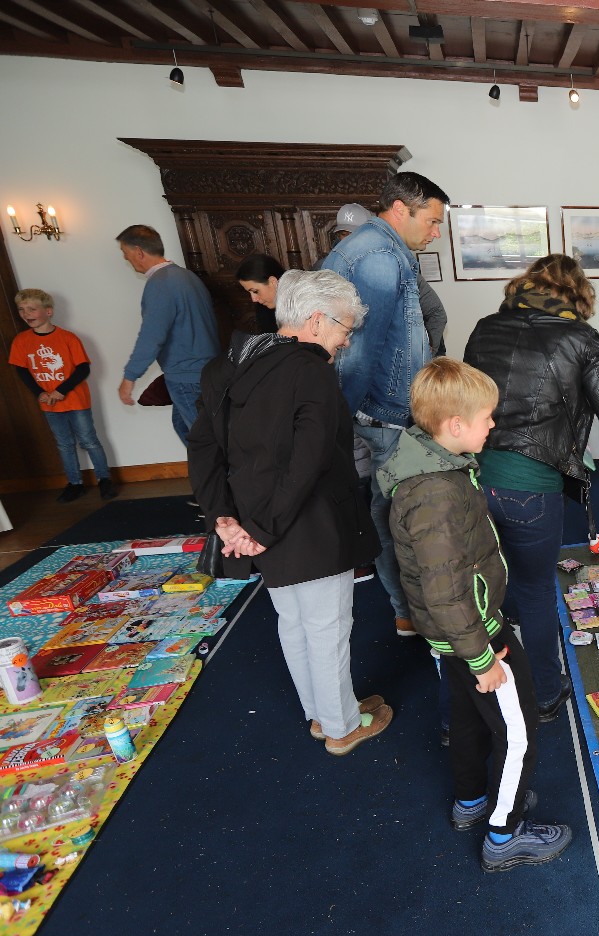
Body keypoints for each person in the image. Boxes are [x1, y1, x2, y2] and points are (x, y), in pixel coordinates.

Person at [379, 357, 572, 872]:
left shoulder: (428, 467)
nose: (493, 424)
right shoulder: (437, 493)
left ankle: (471, 800)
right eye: (486, 417)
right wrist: (483, 657)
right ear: (455, 425)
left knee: (467, 720)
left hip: (452, 636)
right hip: (477, 635)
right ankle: (504, 832)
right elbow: (445, 589)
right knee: (519, 731)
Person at [186, 270, 389, 756]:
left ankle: (321, 713)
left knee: (294, 621)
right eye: (345, 328)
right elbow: (309, 461)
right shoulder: (309, 371)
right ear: (316, 321)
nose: (346, 340)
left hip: (252, 523)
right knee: (327, 628)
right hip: (309, 524)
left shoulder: (226, 365)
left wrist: (223, 518)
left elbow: (203, 447)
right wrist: (262, 528)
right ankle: (341, 727)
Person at [463, 254, 599, 720]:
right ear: (577, 293)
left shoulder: (485, 328)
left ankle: (480, 686)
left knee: (484, 583)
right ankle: (545, 692)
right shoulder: (579, 337)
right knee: (537, 589)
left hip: (474, 476)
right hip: (531, 483)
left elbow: (467, 403)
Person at [321, 173, 448, 635]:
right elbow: (357, 352)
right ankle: (411, 611)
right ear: (399, 208)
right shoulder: (376, 256)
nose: (435, 233)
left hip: (388, 410)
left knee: (396, 509)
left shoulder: (383, 250)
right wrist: (339, 423)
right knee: (401, 516)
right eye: (432, 221)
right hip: (385, 414)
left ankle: (410, 609)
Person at [114, 225, 221, 445]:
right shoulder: (186, 276)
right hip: (207, 370)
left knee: (204, 443)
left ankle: (217, 469)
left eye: (125, 253)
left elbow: (151, 336)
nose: (126, 259)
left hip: (187, 376)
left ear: (139, 252)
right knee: (183, 427)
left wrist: (129, 377)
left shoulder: (161, 284)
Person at [8, 289, 118, 503]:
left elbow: (83, 368)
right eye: (21, 309)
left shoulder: (68, 338)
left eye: (32, 309)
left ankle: (104, 480)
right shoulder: (21, 341)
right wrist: (40, 393)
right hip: (49, 404)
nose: (26, 314)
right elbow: (21, 370)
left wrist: (61, 391)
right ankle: (75, 483)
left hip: (75, 401)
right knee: (64, 444)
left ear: (48, 311)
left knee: (89, 441)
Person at [331, 203, 447, 355]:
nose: (351, 241)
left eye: (356, 234)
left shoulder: (401, 267)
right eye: (344, 234)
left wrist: (427, 353)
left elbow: (436, 312)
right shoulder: (328, 269)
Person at [235, 253, 284, 336]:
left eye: (255, 291)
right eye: (249, 292)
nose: (254, 299)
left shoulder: (303, 304)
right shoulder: (263, 309)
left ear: (273, 282)